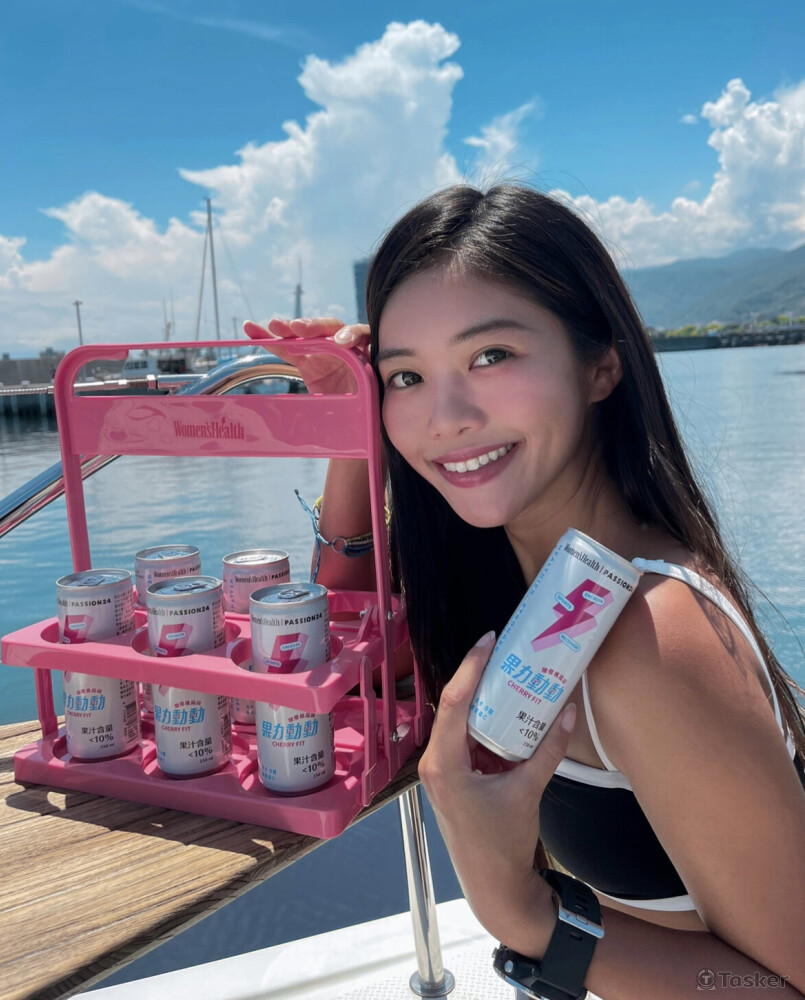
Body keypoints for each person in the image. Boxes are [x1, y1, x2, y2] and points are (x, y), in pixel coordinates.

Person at [249, 184, 805, 997]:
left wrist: (522, 909)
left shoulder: (644, 636)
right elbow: (344, 625)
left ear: (600, 364)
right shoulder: (519, 580)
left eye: (490, 356)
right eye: (406, 376)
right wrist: (349, 427)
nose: (444, 418)